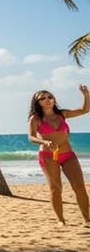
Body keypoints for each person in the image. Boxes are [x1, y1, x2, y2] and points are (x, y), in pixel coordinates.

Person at [27, 86, 90, 226]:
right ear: (38, 103)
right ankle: (61, 220)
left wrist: (86, 95)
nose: (47, 100)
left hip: (68, 155)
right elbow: (31, 137)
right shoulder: (36, 118)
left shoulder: (62, 114)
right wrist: (45, 141)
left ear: (54, 100)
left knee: (79, 187)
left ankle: (87, 220)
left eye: (49, 97)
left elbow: (84, 110)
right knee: (56, 189)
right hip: (48, 156)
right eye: (42, 98)